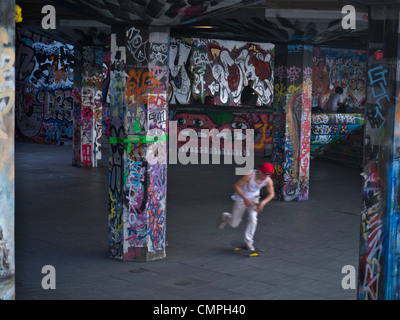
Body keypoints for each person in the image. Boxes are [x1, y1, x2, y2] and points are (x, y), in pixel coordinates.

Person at [217, 162, 275, 251]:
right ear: (259, 171)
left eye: (267, 176)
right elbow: (236, 186)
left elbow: (271, 194)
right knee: (233, 224)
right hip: (241, 198)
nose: (265, 178)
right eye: (264, 175)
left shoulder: (267, 180)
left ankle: (248, 240)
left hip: (254, 199)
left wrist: (262, 203)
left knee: (253, 219)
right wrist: (244, 198)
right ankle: (224, 216)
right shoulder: (249, 176)